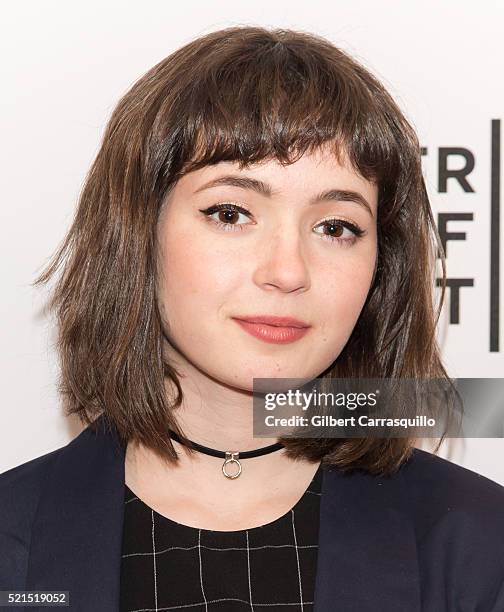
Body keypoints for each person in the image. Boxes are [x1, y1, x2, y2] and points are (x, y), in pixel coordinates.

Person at [1, 25, 503, 612]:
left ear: (380, 267)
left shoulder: (479, 548)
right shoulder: (15, 540)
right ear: (138, 233)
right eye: (231, 212)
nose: (288, 271)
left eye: (335, 227)